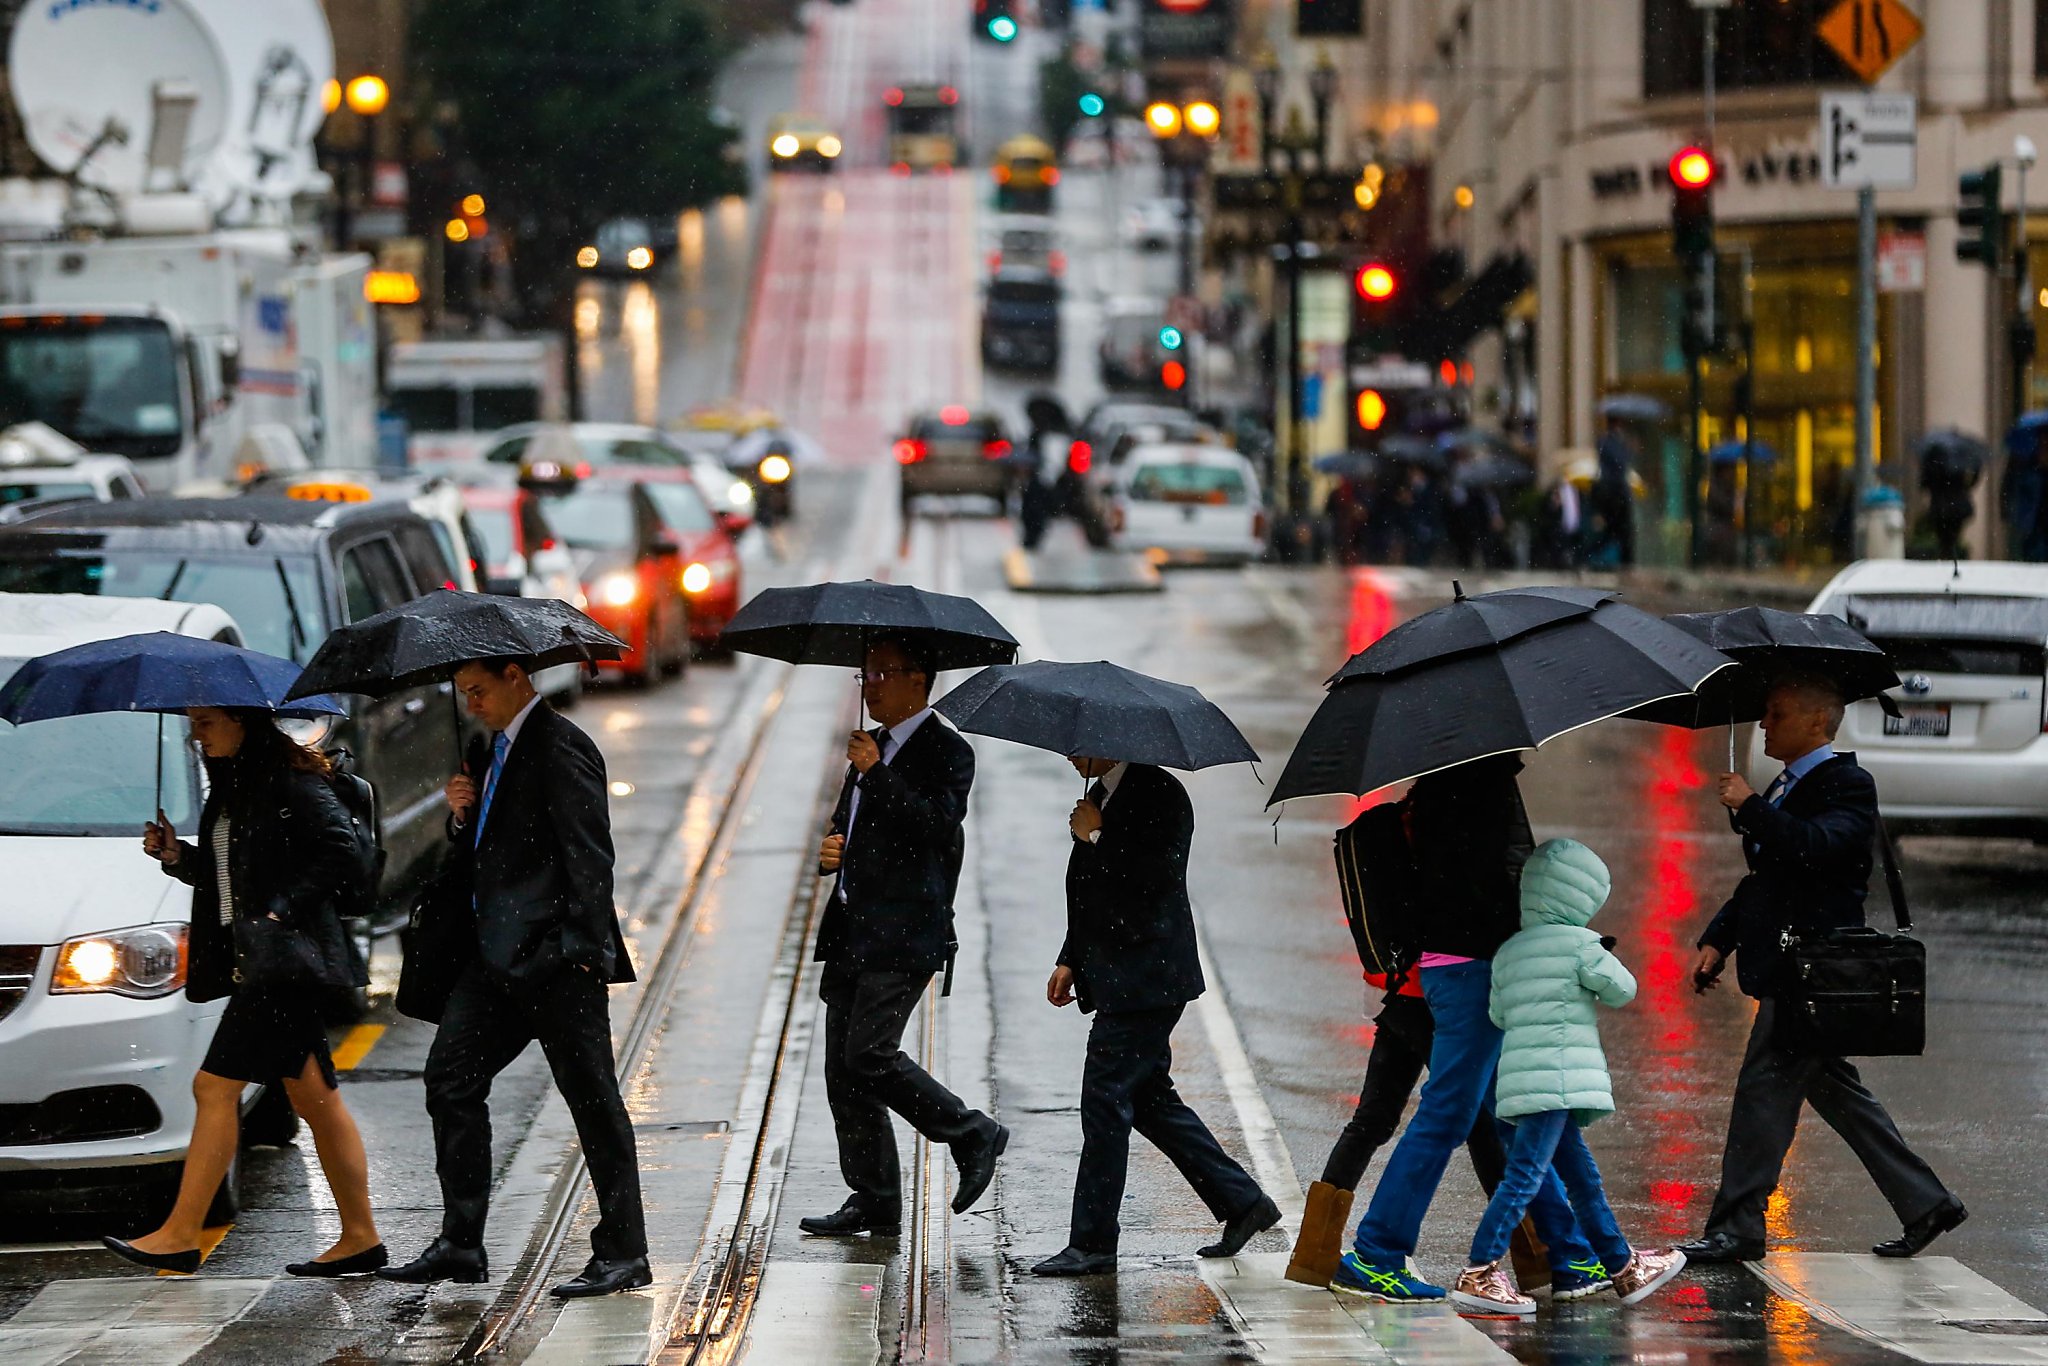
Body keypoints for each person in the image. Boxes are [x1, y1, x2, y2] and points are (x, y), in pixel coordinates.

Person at [380, 657, 649, 1298]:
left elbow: (590, 852)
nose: (471, 703)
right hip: (492, 960)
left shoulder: (562, 747)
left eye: (478, 690)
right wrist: (460, 815)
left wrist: (581, 951)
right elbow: (486, 852)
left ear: (515, 677)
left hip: (554, 962)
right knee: (450, 1079)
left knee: (593, 1104)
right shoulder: (487, 749)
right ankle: (461, 1243)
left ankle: (625, 1251)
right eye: (462, 693)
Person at [1678, 675, 1965, 1265]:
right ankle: (1925, 1202)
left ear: (1816, 722)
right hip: (1791, 963)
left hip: (1812, 971)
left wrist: (1752, 807)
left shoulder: (1847, 784)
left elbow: (1817, 849)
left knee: (1763, 1094)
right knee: (1834, 1090)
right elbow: (1768, 882)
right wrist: (1720, 939)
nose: (1763, 724)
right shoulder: (1787, 785)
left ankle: (1738, 1227)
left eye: (1776, 714)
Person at [106, 707, 382, 1277]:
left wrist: (282, 910)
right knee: (314, 1099)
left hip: (284, 965)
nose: (195, 732)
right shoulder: (235, 787)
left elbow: (340, 851)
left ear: (241, 723)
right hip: (264, 962)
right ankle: (360, 1235)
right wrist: (179, 857)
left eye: (206, 722)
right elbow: (233, 878)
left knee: (213, 1087)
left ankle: (182, 1234)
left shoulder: (291, 781)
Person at [1331, 754, 1605, 1304]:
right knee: (1450, 1113)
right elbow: (1493, 885)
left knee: (1518, 1108)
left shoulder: (1451, 780)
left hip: (1461, 962)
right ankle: (1376, 1253)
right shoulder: (1476, 782)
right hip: (1473, 966)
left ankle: (1571, 1254)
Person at [1031, 757, 1280, 1276]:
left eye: (1081, 743)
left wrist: (1098, 838)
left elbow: (1157, 877)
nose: (1070, 753)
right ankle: (1243, 1202)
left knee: (1104, 1102)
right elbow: (1091, 893)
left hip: (1147, 977)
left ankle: (1093, 1241)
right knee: (1147, 1101)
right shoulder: (1100, 795)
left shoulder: (1159, 793)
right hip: (1121, 973)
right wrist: (1070, 957)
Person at [801, 638, 1008, 1239]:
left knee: (869, 1055)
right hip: (852, 928)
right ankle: (874, 1197)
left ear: (919, 680)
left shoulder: (946, 751)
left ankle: (973, 1133)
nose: (870, 684)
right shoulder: (872, 748)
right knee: (844, 1071)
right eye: (866, 673)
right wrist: (831, 849)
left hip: (904, 932)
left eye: (882, 673)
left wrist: (877, 773)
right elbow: (856, 826)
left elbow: (935, 826)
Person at [1448, 839, 1687, 1314]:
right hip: (1560, 1078)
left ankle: (1622, 1268)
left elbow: (1498, 1013)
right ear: (1583, 899)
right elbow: (1623, 990)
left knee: (1581, 1177)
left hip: (1521, 1081)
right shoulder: (1580, 945)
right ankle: (1478, 1271)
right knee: (1524, 1178)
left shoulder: (1510, 951)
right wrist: (1595, 957)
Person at [1592, 418, 1638, 567]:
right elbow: (1619, 463)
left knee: (1619, 532)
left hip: (1616, 493)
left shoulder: (1617, 443)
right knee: (1615, 531)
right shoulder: (1607, 442)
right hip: (1613, 493)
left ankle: (1623, 562)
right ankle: (1615, 561)